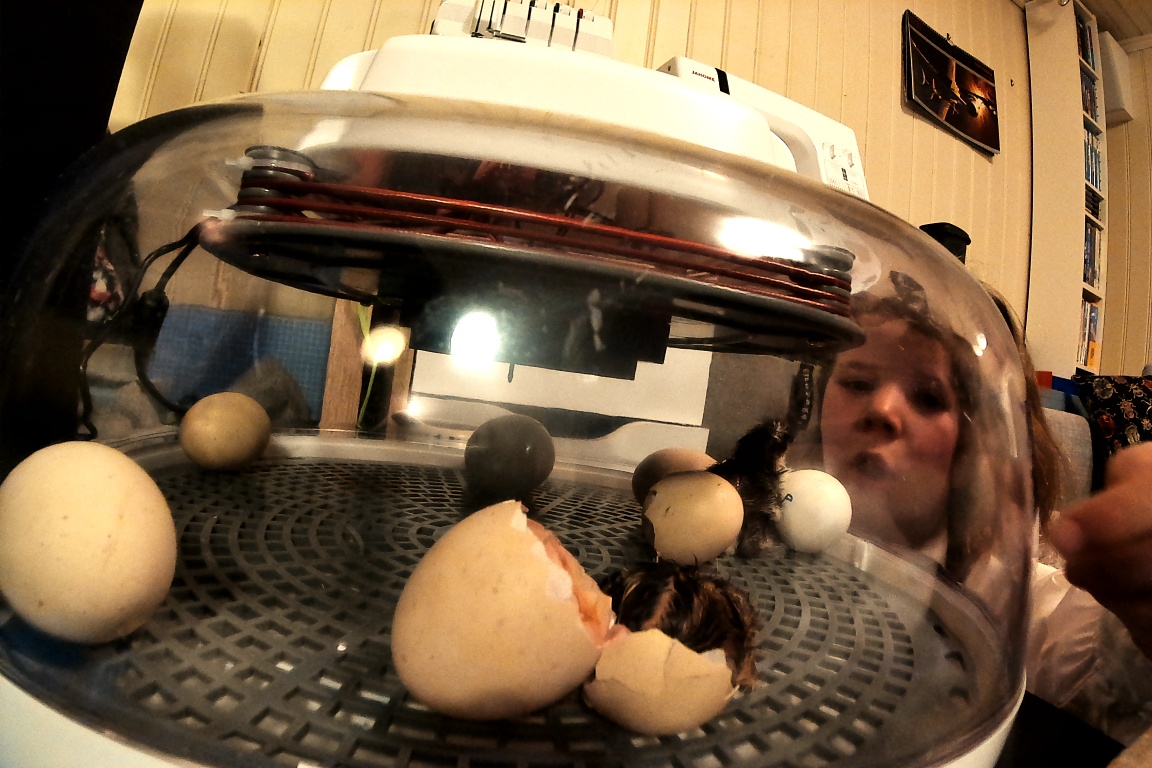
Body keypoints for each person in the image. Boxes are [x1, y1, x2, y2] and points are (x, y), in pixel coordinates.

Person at [793, 275, 1152, 744]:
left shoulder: (1014, 598)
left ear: (982, 443)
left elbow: (1110, 670)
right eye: (857, 383)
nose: (880, 409)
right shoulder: (776, 509)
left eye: (929, 397)